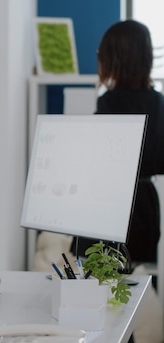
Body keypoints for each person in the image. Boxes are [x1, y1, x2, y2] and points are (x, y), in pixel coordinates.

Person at [72, 20, 164, 265]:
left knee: (94, 271)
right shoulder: (158, 102)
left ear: (112, 60)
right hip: (145, 211)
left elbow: (95, 162)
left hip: (110, 207)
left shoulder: (109, 103)